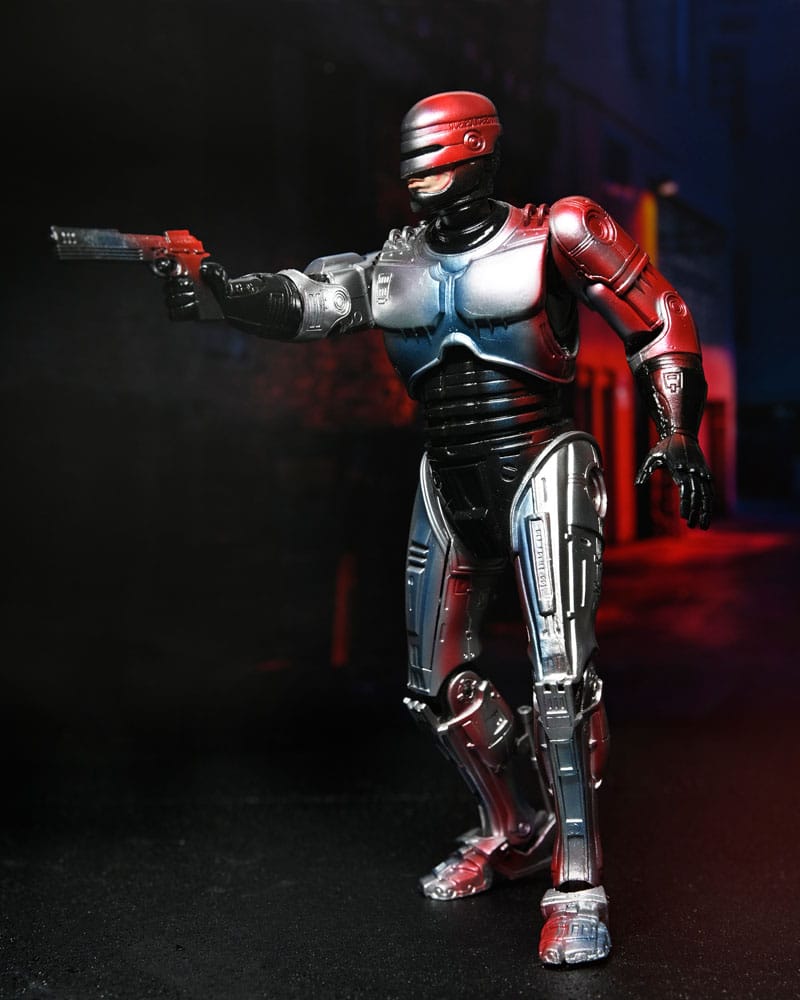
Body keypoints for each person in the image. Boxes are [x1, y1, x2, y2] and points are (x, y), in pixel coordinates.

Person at [167, 91, 713, 966]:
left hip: (543, 462)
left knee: (561, 683)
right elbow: (305, 302)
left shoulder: (559, 231)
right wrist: (215, 292)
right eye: (414, 171)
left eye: (437, 168)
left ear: (478, 156)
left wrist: (676, 429)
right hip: (448, 477)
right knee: (433, 685)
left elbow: (659, 315)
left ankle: (579, 879)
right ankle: (513, 828)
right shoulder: (394, 263)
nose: (421, 185)